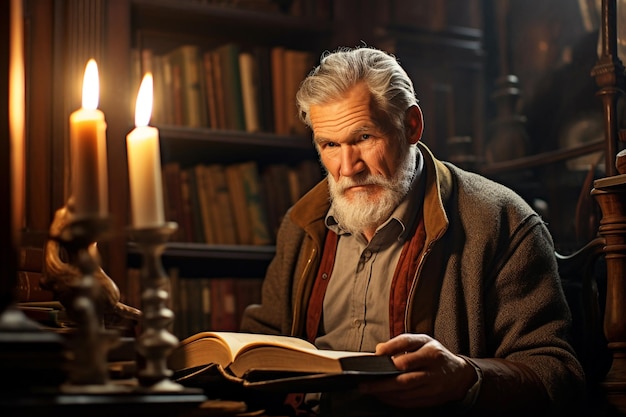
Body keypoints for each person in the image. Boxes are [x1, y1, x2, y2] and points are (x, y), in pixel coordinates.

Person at [240, 46, 585, 416]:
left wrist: (465, 377)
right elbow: (267, 341)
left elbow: (558, 375)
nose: (347, 167)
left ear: (412, 126)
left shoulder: (500, 221)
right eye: (330, 145)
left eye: (364, 138)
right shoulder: (301, 225)